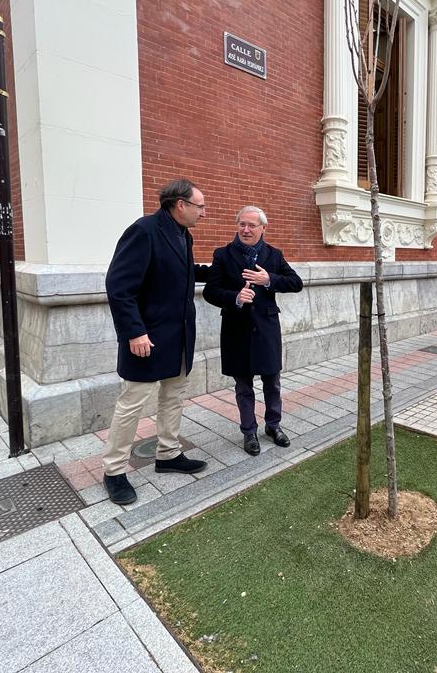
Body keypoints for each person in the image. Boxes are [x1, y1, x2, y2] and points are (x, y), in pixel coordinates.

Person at [102, 179, 212, 505]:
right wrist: (134, 332)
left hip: (178, 339)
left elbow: (178, 272)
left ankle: (168, 454)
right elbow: (118, 286)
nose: (203, 212)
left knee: (174, 397)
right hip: (145, 339)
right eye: (200, 206)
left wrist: (220, 272)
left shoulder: (183, 235)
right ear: (180, 204)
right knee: (132, 404)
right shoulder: (144, 231)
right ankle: (114, 471)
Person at [203, 206, 303, 456]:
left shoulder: (274, 255)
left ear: (263, 228)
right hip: (236, 329)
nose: (246, 230)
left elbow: (296, 283)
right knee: (243, 385)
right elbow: (210, 291)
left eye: (251, 225)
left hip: (267, 328)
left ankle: (273, 425)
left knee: (272, 382)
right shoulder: (223, 255)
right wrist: (235, 297)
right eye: (241, 224)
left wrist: (268, 280)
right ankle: (249, 431)